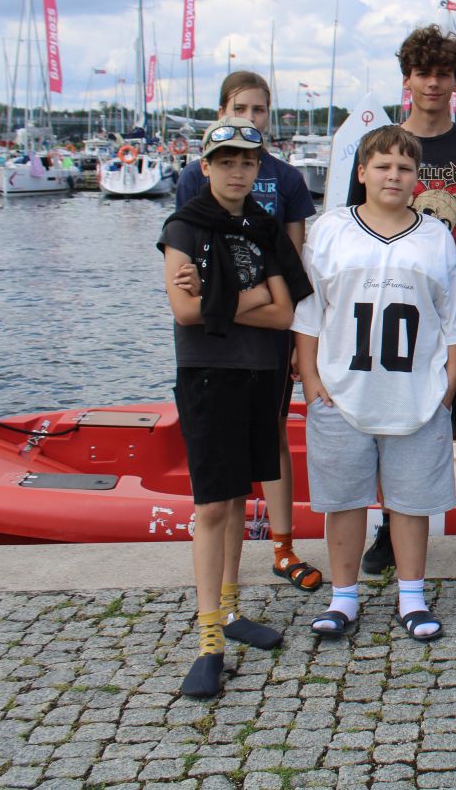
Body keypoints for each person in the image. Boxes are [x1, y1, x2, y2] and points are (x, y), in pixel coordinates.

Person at [347, 25, 456, 576]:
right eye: (423, 73)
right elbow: (355, 226)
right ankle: (391, 527)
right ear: (407, 79)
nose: (433, 84)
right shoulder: (383, 146)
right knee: (397, 421)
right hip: (397, 310)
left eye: (444, 74)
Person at [158, 121, 312, 698]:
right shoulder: (184, 225)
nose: (237, 171)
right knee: (212, 506)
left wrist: (216, 296)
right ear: (206, 167)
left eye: (247, 162)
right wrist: (252, 296)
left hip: (259, 373)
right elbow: (183, 311)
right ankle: (207, 641)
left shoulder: (264, 226)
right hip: (209, 375)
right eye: (225, 162)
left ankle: (229, 610)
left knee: (239, 497)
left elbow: (284, 312)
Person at [295, 125, 456, 641]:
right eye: (383, 166)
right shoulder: (330, 229)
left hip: (415, 391)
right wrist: (310, 377)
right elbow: (310, 311)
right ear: (362, 172)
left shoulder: (435, 236)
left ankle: (412, 596)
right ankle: (343, 597)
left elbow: (451, 317)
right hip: (342, 388)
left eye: (404, 167)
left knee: (411, 502)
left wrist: (448, 385)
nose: (394, 175)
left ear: (417, 177)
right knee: (344, 499)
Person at [175, 72, 321, 594]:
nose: (250, 117)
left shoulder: (287, 179)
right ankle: (221, 590)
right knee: (223, 470)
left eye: (259, 110)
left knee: (275, 432)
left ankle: (282, 545)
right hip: (215, 347)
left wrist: (296, 337)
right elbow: (186, 279)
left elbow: (293, 263)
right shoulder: (194, 181)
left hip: (268, 336)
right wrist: (249, 297)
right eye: (240, 109)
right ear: (221, 113)